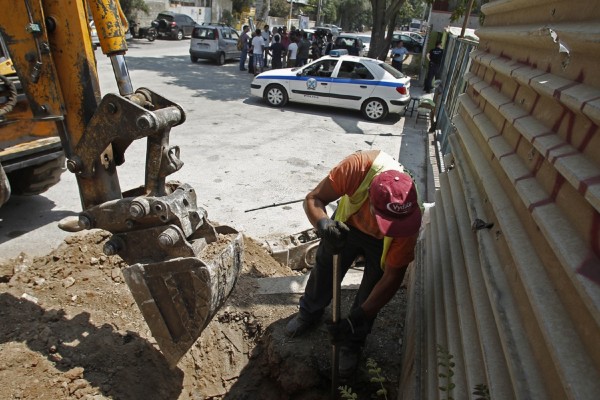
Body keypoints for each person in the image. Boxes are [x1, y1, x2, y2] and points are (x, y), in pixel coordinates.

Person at [284, 150, 422, 378]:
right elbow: (313, 198)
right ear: (370, 200)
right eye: (384, 222)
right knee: (325, 268)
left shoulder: (407, 222)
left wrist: (358, 318)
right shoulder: (357, 168)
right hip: (346, 226)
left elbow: (392, 277)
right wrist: (325, 226)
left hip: (382, 245)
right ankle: (309, 313)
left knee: (371, 288)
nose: (384, 227)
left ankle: (352, 342)